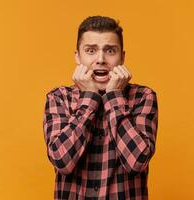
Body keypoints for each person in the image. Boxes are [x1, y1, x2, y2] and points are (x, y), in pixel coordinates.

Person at [43, 15, 158, 200]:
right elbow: (61, 161)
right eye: (90, 50)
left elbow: (137, 161)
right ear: (77, 56)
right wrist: (90, 99)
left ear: (122, 57)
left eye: (110, 50)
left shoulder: (143, 97)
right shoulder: (59, 98)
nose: (101, 59)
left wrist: (113, 97)